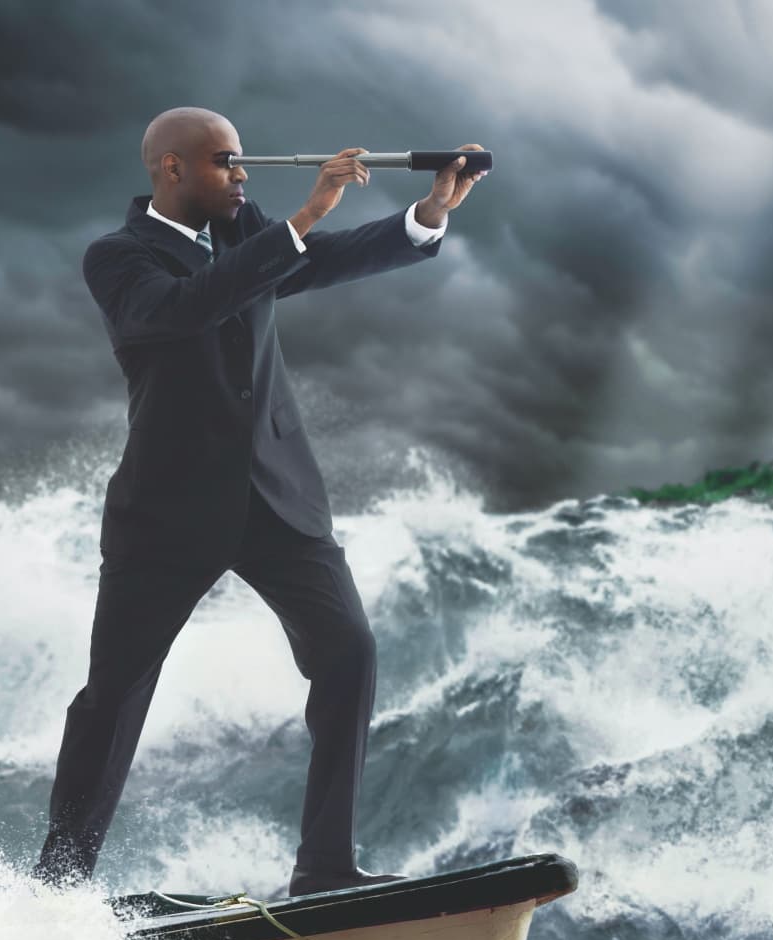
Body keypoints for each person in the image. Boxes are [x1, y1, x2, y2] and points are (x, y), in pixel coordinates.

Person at [30, 107, 487, 897]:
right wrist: (303, 219)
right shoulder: (118, 258)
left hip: (279, 499)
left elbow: (321, 259)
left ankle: (325, 869)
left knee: (349, 653)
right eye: (224, 162)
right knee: (114, 698)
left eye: (242, 159)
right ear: (172, 168)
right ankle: (57, 891)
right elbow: (185, 307)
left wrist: (427, 213)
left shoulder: (245, 234)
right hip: (167, 511)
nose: (241, 174)